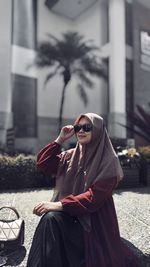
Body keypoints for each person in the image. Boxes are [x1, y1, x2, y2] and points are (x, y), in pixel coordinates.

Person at [27, 113, 140, 267]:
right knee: (49, 220)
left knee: (51, 218)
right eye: (77, 127)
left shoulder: (109, 161)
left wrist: (59, 205)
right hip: (72, 215)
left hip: (93, 224)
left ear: (98, 131)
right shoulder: (71, 156)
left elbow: (94, 197)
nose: (81, 131)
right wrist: (59, 140)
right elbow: (43, 164)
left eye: (87, 127)